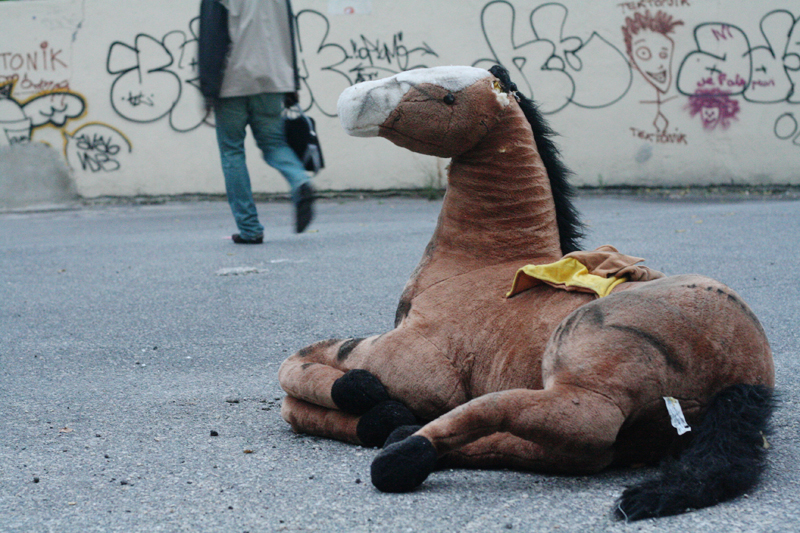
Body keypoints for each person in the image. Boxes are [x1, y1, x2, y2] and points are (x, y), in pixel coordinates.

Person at [198, 0, 314, 243]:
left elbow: (212, 38)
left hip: (232, 81)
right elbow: (288, 34)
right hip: (273, 79)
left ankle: (250, 228)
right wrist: (291, 83)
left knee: (232, 152)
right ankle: (300, 180)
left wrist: (209, 89)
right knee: (273, 143)